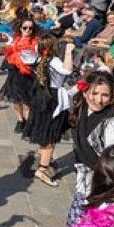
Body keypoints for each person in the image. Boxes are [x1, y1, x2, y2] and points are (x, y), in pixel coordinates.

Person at [67, 71, 114, 226]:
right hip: (82, 174)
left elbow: (111, 155)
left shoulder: (112, 121)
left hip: (100, 180)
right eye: (94, 93)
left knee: (88, 224)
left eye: (105, 95)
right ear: (85, 91)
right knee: (77, 222)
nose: (99, 100)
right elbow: (64, 96)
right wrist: (80, 86)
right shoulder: (81, 108)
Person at [24, 36, 75, 187]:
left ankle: (44, 158)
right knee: (51, 135)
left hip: (42, 97)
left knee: (46, 130)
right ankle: (43, 169)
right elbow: (67, 70)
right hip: (52, 99)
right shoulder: (54, 61)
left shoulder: (40, 58)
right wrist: (69, 52)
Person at [0, 18, 39, 131]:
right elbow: (9, 49)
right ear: (20, 28)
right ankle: (20, 120)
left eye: (30, 28)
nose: (28, 30)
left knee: (27, 101)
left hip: (29, 74)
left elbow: (41, 55)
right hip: (16, 73)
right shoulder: (15, 40)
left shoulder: (36, 42)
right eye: (25, 28)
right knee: (16, 100)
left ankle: (27, 123)